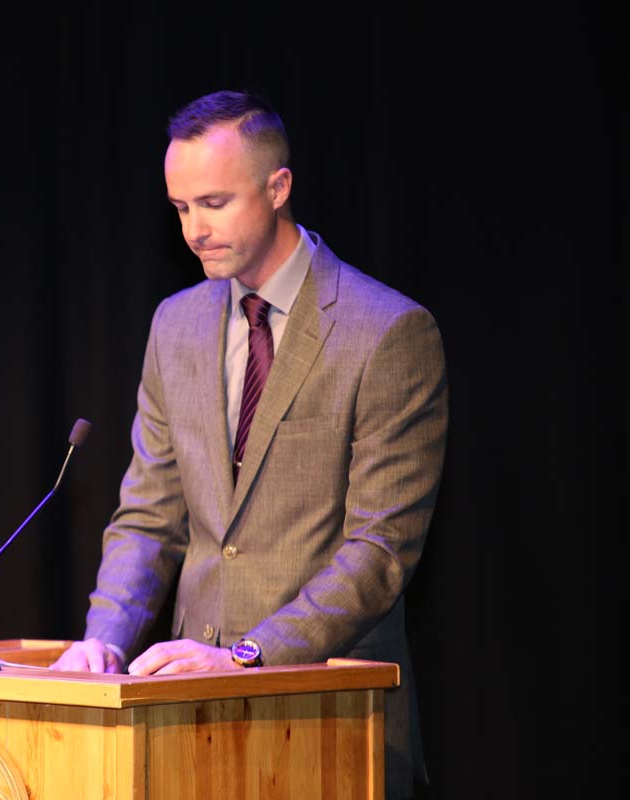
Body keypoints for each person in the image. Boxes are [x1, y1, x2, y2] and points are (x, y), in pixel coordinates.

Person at [49, 90, 447, 798]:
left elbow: (381, 551)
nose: (194, 230)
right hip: (184, 722)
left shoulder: (385, 330)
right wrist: (104, 637)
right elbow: (149, 514)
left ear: (278, 187)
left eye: (213, 202)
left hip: (330, 709)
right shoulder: (175, 325)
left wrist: (247, 655)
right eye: (179, 210)